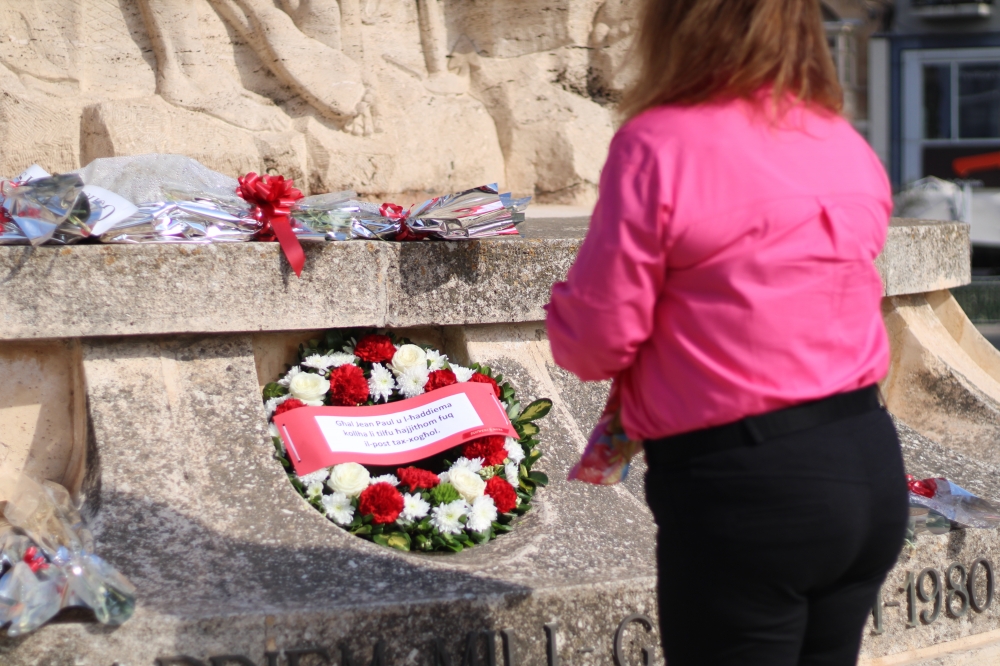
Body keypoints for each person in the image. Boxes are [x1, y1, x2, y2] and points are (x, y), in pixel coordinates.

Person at [544, 1, 908, 664]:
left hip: (750, 483)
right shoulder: (838, 138)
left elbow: (597, 339)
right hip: (867, 462)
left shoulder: (660, 142)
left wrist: (564, 306)